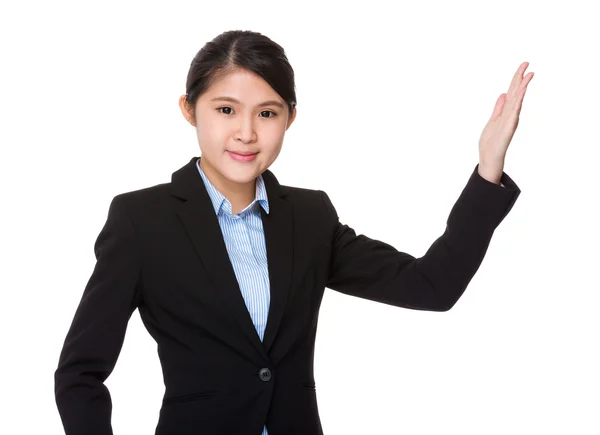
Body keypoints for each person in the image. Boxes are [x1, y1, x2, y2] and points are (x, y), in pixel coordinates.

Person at [54, 30, 534, 435]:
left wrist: (487, 170)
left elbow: (431, 286)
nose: (246, 133)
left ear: (290, 118)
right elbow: (79, 373)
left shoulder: (309, 216)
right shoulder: (142, 220)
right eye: (225, 110)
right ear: (189, 108)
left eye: (267, 113)